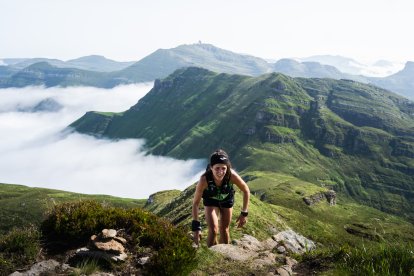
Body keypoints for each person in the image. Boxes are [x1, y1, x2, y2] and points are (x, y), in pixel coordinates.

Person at [192, 149, 250, 247]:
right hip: (211, 201)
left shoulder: (231, 176)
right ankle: (210, 255)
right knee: (213, 230)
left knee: (224, 229)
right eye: (217, 168)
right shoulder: (204, 179)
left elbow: (246, 190)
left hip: (227, 200)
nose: (221, 172)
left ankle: (224, 255)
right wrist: (196, 228)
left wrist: (244, 213)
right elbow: (195, 204)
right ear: (211, 167)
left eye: (224, 168)